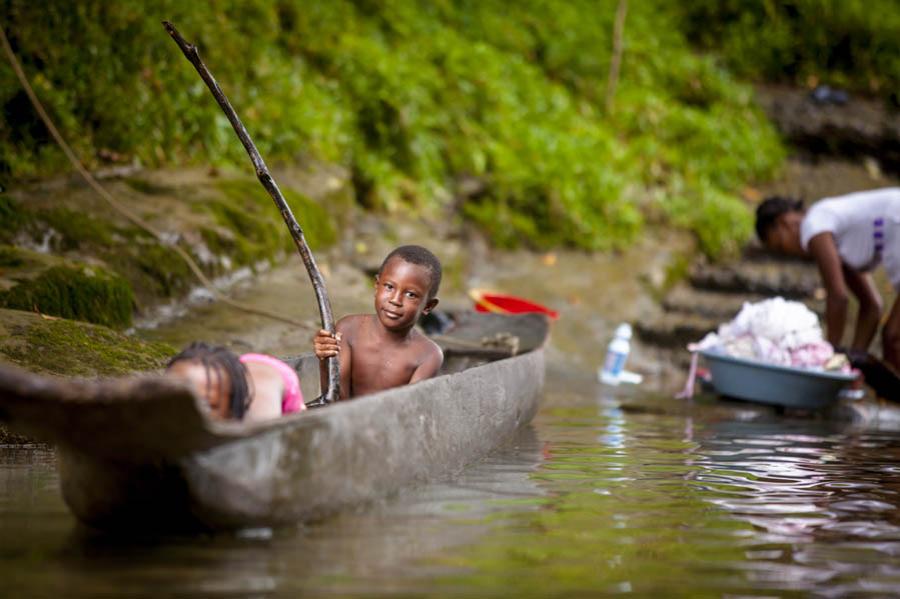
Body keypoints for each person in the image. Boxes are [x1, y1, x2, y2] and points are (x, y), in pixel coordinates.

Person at [755, 188, 900, 370]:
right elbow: (872, 306)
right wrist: (850, 364)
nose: (788, 252)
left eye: (780, 245)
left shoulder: (814, 226)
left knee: (894, 336)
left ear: (783, 223)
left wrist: (824, 357)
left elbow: (838, 298)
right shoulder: (837, 235)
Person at [313, 245, 444, 399]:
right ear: (377, 285)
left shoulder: (428, 355)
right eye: (389, 287)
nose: (395, 300)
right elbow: (335, 398)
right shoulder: (349, 329)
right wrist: (324, 360)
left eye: (410, 294)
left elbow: (408, 410)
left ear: (428, 306)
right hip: (342, 419)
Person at [166, 342, 305, 420]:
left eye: (206, 406)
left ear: (232, 407)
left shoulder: (259, 419)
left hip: (275, 376)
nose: (187, 414)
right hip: (237, 367)